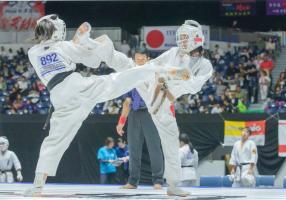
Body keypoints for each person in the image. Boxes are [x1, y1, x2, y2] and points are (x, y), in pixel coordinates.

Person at [24, 14, 187, 196]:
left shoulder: (33, 52)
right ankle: (160, 69)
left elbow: (59, 56)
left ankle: (37, 186)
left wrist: (82, 44)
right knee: (117, 81)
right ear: (56, 31)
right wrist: (88, 44)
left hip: (59, 97)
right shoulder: (63, 46)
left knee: (54, 141)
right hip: (78, 86)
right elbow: (92, 61)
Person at [135, 20, 213, 196]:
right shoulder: (174, 52)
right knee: (129, 69)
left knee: (171, 140)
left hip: (165, 98)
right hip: (152, 85)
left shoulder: (205, 65)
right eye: (182, 37)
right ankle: (104, 52)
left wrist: (177, 76)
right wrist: (172, 72)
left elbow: (193, 86)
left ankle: (172, 184)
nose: (183, 41)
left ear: (197, 38)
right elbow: (153, 65)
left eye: (186, 37)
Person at [116, 48, 164, 190]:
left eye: (142, 59)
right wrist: (121, 122)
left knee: (154, 147)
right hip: (135, 114)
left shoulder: (155, 73)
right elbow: (127, 102)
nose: (140, 62)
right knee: (134, 149)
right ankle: (132, 181)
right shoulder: (131, 75)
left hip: (151, 114)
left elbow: (164, 93)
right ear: (134, 60)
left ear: (148, 59)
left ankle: (158, 181)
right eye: (137, 60)